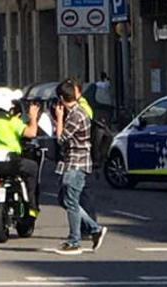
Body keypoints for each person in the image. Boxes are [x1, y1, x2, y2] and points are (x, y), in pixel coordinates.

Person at [0, 87, 40, 239]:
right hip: (10, 162)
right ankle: (31, 206)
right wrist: (33, 117)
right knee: (32, 168)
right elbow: (31, 133)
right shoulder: (13, 122)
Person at [54, 80, 108, 255]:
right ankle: (94, 229)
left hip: (77, 163)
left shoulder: (76, 115)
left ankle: (74, 240)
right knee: (65, 199)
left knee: (70, 201)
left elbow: (61, 138)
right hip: (73, 162)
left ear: (62, 98)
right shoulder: (75, 112)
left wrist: (59, 119)